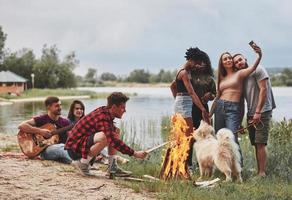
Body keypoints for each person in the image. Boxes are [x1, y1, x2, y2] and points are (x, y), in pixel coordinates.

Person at [65, 92, 147, 177]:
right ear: (114, 107)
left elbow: (113, 138)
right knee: (105, 137)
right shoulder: (102, 117)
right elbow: (114, 141)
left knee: (115, 131)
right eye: (122, 108)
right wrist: (134, 153)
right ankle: (82, 164)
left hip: (82, 146)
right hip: (74, 149)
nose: (125, 111)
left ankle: (112, 168)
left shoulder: (106, 112)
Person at [211, 43, 262, 165]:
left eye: (229, 58)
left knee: (232, 138)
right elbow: (217, 97)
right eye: (225, 59)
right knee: (220, 138)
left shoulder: (239, 74)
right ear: (222, 63)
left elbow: (253, 68)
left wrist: (259, 55)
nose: (228, 60)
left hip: (233, 109)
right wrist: (209, 114)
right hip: (219, 108)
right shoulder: (221, 78)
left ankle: (239, 168)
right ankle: (224, 166)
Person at [233, 49, 276, 177]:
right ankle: (259, 171)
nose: (239, 63)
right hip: (251, 112)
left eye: (240, 59)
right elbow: (241, 101)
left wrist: (258, 112)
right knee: (255, 143)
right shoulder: (243, 77)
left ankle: (262, 173)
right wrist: (241, 121)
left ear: (245, 59)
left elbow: (264, 90)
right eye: (236, 62)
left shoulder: (258, 69)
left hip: (262, 111)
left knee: (260, 142)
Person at [18, 96, 72, 164]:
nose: (60, 108)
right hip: (46, 151)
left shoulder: (66, 122)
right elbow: (21, 126)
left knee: (67, 150)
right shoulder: (42, 119)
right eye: (57, 106)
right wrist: (40, 131)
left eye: (60, 105)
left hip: (62, 149)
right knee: (62, 148)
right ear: (48, 107)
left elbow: (72, 138)